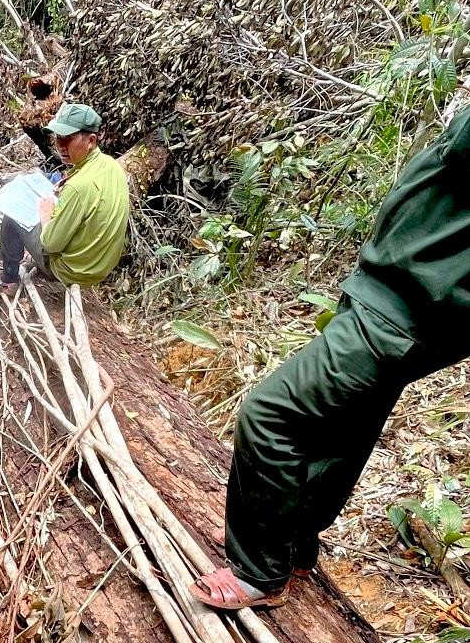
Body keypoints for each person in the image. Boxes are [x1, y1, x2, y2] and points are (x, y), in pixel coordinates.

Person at [190, 106, 470, 610]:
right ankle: (294, 545)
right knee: (345, 425)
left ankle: (259, 571)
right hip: (414, 312)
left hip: (401, 310)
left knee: (268, 415)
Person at [0, 103, 130, 293]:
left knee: (12, 215)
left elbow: (51, 244)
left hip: (72, 272)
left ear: (91, 140)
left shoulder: (78, 187)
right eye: (58, 138)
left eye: (68, 139)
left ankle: (8, 279)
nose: (60, 146)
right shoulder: (111, 165)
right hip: (98, 268)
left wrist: (45, 216)